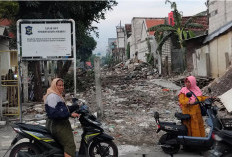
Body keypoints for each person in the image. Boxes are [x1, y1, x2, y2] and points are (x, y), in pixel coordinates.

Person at [44, 78, 79, 157]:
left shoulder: (57, 95)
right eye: (59, 85)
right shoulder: (52, 96)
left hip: (60, 124)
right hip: (56, 125)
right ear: (54, 86)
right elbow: (54, 113)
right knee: (70, 145)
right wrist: (69, 114)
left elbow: (63, 109)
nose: (61, 87)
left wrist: (75, 107)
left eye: (62, 85)